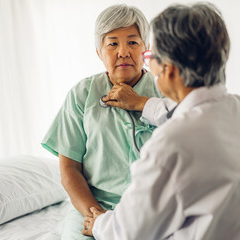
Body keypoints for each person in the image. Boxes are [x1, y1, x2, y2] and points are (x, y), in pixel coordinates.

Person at [82, 3, 240, 240]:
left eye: (149, 56)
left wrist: (99, 223)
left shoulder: (172, 143)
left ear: (168, 70)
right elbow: (187, 112)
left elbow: (129, 231)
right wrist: (142, 103)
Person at [41, 4, 160, 240]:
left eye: (133, 42)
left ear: (146, 49)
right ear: (99, 52)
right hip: (93, 207)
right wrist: (99, 217)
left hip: (152, 209)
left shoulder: (164, 93)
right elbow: (69, 168)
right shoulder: (82, 94)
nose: (123, 52)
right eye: (113, 43)